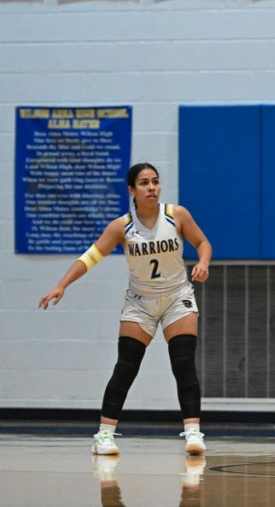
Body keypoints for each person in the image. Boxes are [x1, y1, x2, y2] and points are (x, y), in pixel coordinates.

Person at [39, 163, 213, 456]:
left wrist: (203, 262)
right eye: (144, 183)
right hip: (140, 302)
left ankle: (193, 433)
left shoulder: (177, 215)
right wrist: (62, 284)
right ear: (132, 189)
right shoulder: (122, 226)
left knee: (183, 363)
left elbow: (202, 242)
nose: (152, 187)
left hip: (176, 297)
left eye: (155, 181)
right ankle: (104, 436)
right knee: (125, 367)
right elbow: (91, 256)